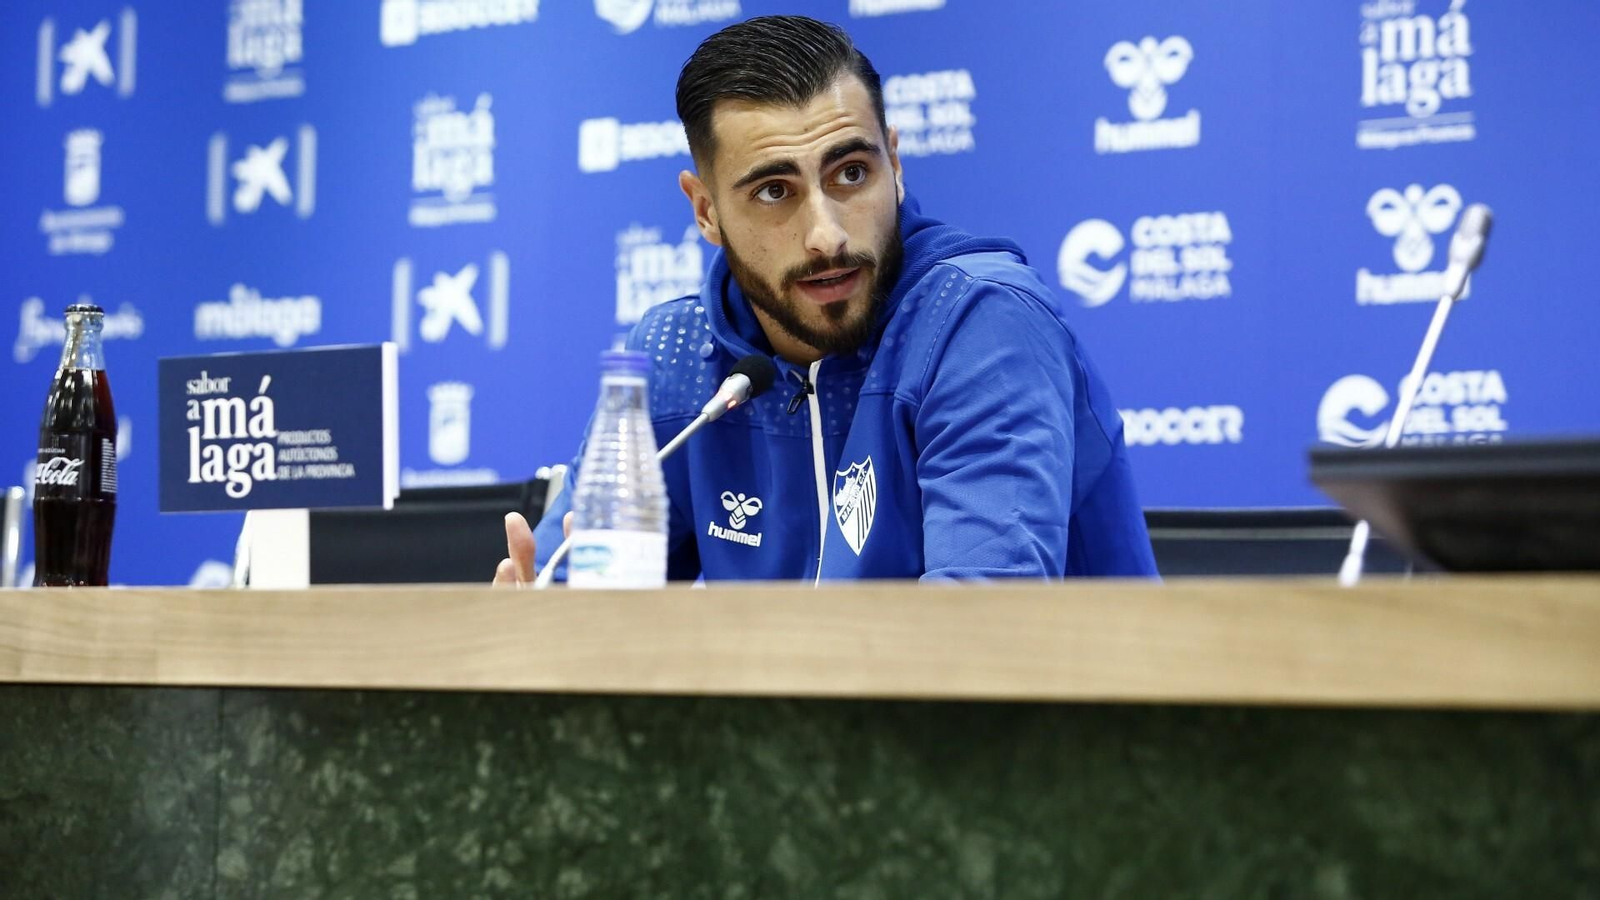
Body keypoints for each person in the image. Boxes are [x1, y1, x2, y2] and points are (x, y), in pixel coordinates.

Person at [495, 15, 1157, 585]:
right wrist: (540, 627)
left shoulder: (979, 323)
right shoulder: (679, 358)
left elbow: (977, 633)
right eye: (774, 191)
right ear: (705, 210)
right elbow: (571, 597)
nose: (827, 235)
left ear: (894, 165)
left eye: (851, 173)